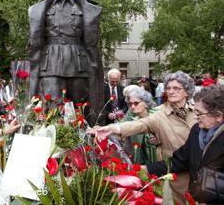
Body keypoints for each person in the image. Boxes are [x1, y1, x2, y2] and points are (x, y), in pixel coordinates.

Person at [87, 71, 197, 204]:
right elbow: (139, 124)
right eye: (168, 88)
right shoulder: (160, 114)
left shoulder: (198, 112)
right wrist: (112, 128)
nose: (171, 91)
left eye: (176, 88)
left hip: (199, 174)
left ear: (187, 91)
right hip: (175, 174)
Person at [28, 0, 104, 125]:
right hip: (50, 64)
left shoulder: (85, 7)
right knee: (51, 108)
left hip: (77, 63)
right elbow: (36, 41)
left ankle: (83, 146)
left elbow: (90, 41)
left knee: (80, 108)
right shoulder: (41, 8)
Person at [146, 84, 224, 204]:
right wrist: (146, 169)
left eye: (199, 113)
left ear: (218, 116)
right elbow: (180, 160)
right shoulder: (197, 131)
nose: (196, 117)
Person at [121, 87, 158, 164]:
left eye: (136, 103)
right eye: (130, 104)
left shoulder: (157, 116)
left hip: (157, 162)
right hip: (140, 161)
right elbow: (121, 125)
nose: (132, 107)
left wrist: (160, 139)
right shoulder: (132, 118)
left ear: (146, 104)